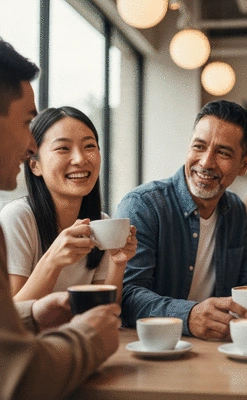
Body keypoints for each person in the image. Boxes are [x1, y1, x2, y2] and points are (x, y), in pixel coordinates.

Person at [0, 37, 121, 399]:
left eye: (89, 147)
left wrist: (36, 314)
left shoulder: (98, 220)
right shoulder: (16, 217)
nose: (30, 144)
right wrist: (86, 336)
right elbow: (18, 373)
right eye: (26, 123)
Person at [115, 100, 247, 340]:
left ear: (244, 164)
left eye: (222, 152)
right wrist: (188, 315)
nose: (206, 162)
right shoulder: (143, 206)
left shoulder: (236, 210)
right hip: (154, 348)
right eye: (199, 147)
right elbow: (127, 295)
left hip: (216, 348)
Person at [0, 106, 137, 304]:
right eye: (63, 148)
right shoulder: (18, 218)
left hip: (76, 334)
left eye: (89, 146)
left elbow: (105, 312)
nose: (80, 159)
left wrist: (118, 263)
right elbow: (12, 316)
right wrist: (53, 261)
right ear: (34, 165)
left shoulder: (101, 223)